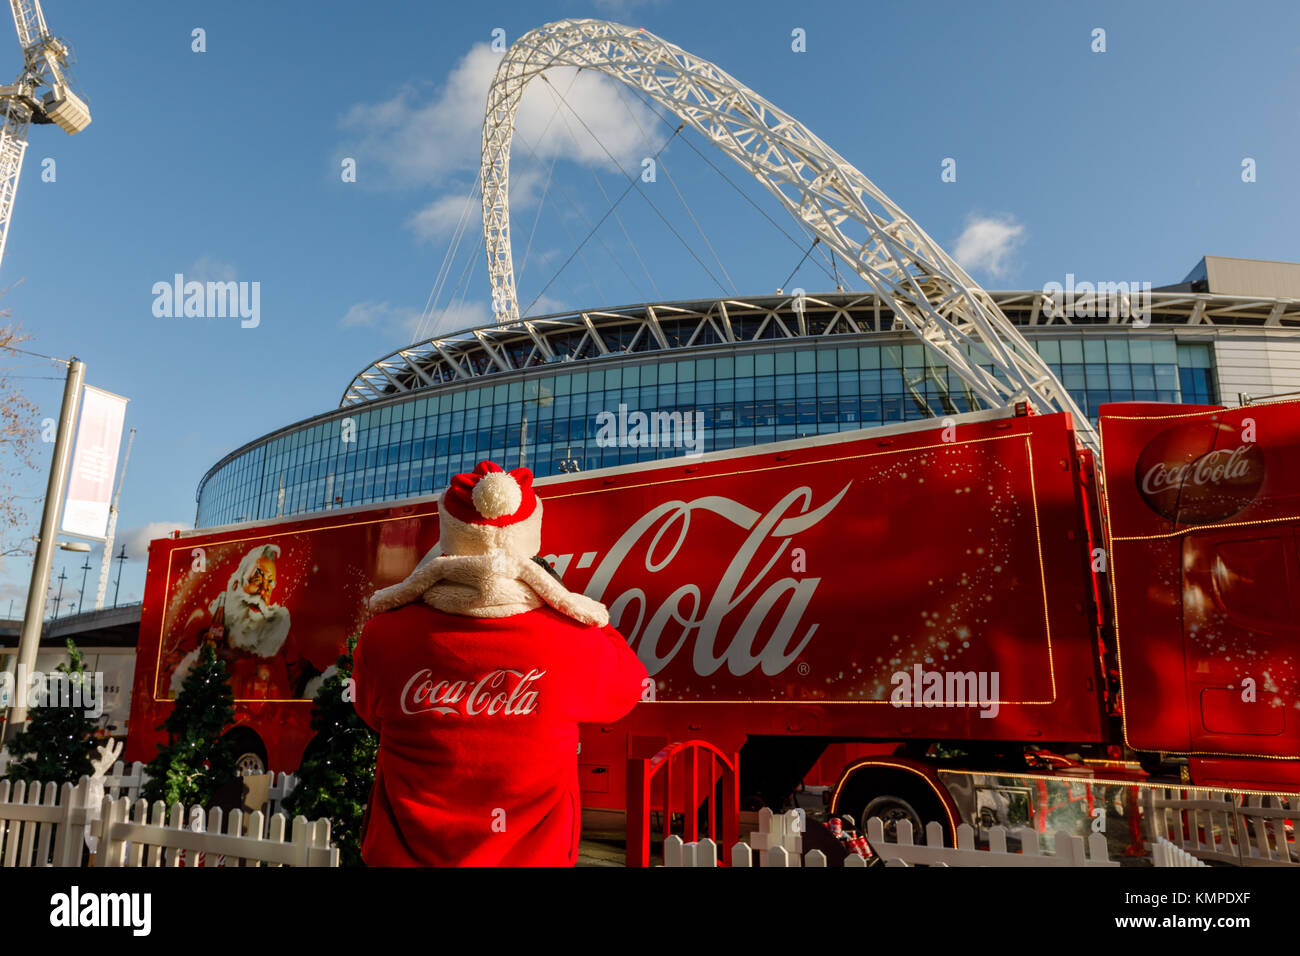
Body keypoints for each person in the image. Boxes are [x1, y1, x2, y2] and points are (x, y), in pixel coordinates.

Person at [353, 460, 648, 866]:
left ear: (449, 538)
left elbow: (371, 712)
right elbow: (628, 688)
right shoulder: (573, 640)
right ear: (529, 542)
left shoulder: (383, 635)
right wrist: (575, 606)